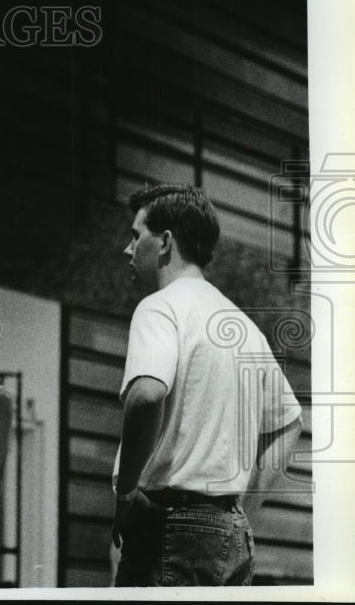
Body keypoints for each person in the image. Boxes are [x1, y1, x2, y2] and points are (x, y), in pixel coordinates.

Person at [111, 184, 303, 587]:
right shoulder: (245, 329)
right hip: (233, 535)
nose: (128, 250)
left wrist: (127, 493)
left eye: (135, 235)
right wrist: (241, 511)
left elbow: (147, 394)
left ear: (164, 242)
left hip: (170, 528)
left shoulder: (159, 307)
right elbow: (289, 423)